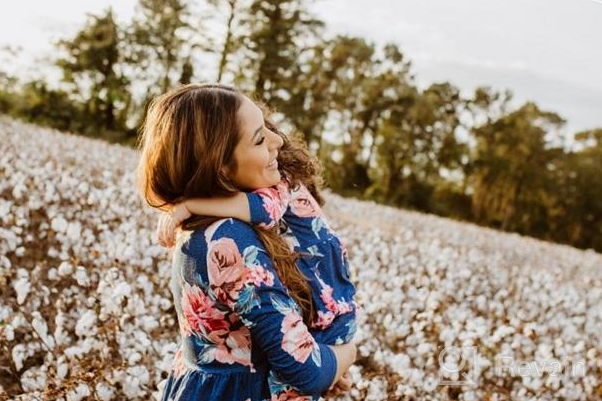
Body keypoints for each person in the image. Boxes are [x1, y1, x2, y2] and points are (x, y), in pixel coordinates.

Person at [136, 83, 357, 401]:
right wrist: (346, 353)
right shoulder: (228, 240)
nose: (279, 140)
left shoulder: (213, 226)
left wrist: (328, 369)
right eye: (258, 138)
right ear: (220, 167)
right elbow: (305, 370)